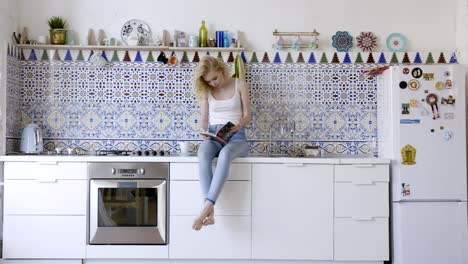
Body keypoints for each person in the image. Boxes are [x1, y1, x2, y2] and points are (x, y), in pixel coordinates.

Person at [192, 55, 251, 231]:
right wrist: (203, 132)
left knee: (225, 155)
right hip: (215, 135)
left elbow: (248, 116)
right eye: (208, 81)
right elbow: (203, 119)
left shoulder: (239, 84)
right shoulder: (207, 91)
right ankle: (209, 210)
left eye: (215, 78)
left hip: (236, 136)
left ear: (221, 69)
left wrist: (238, 125)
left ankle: (206, 209)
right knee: (203, 152)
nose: (213, 83)